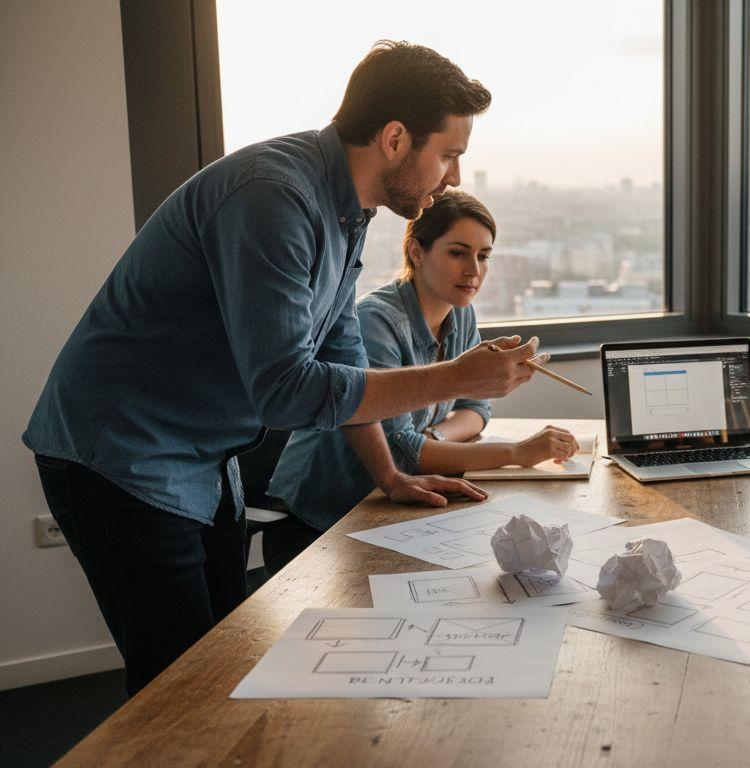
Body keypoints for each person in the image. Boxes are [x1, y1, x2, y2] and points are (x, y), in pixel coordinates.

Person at [22, 41, 542, 695]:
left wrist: (387, 472)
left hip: (203, 459)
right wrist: (456, 379)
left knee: (222, 668)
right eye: (448, 153)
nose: (454, 176)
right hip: (121, 455)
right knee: (176, 691)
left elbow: (341, 350)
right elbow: (285, 391)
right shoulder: (274, 197)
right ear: (394, 138)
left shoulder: (346, 208)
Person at [263, 191, 580, 572]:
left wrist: (434, 439)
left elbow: (475, 407)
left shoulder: (459, 313)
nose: (473, 271)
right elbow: (401, 452)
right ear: (416, 252)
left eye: (483, 256)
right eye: (458, 253)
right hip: (319, 520)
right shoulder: (375, 321)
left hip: (389, 508)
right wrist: (517, 454)